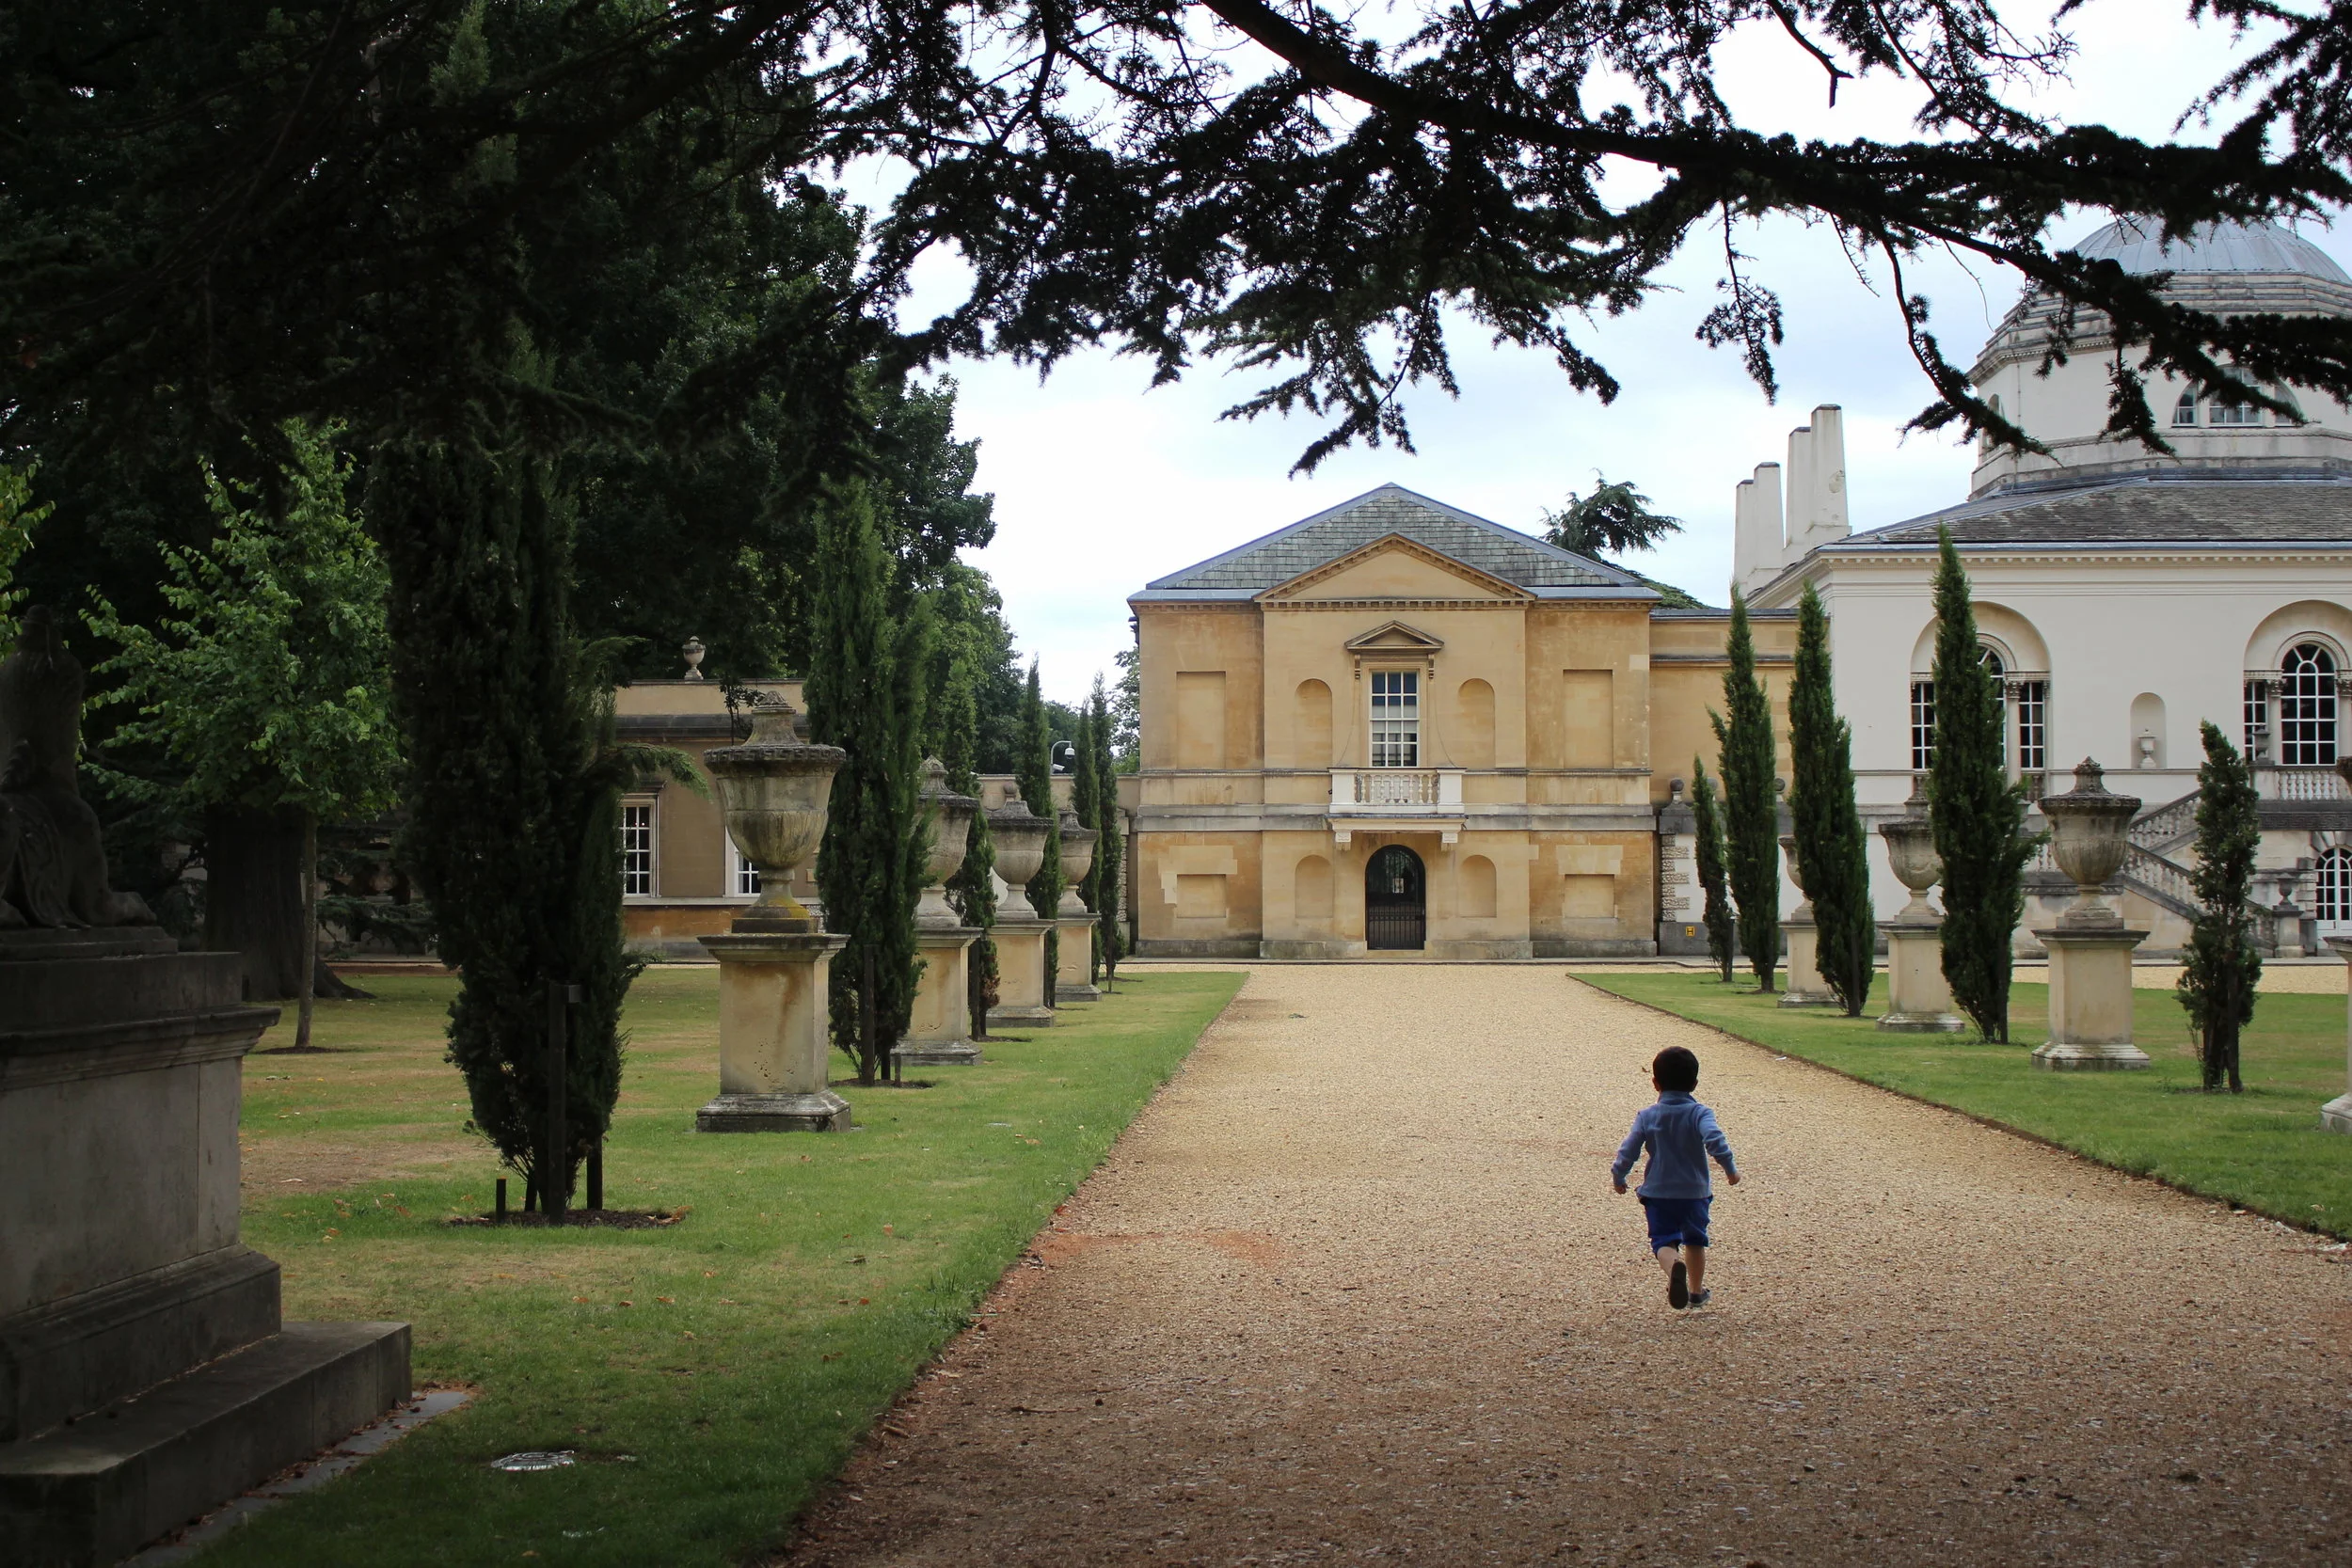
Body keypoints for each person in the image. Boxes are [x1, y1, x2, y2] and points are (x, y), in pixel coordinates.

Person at [1611, 1045, 1740, 1309]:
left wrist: (1619, 1175)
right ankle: (1696, 1291)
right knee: (1695, 1240)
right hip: (1694, 1192)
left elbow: (1629, 1150)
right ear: (1694, 1083)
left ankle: (1673, 1268)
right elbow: (1714, 1139)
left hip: (1658, 1192)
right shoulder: (1700, 1113)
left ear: (1655, 1083)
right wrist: (1730, 1169)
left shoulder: (1647, 1116)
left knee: (1663, 1241)